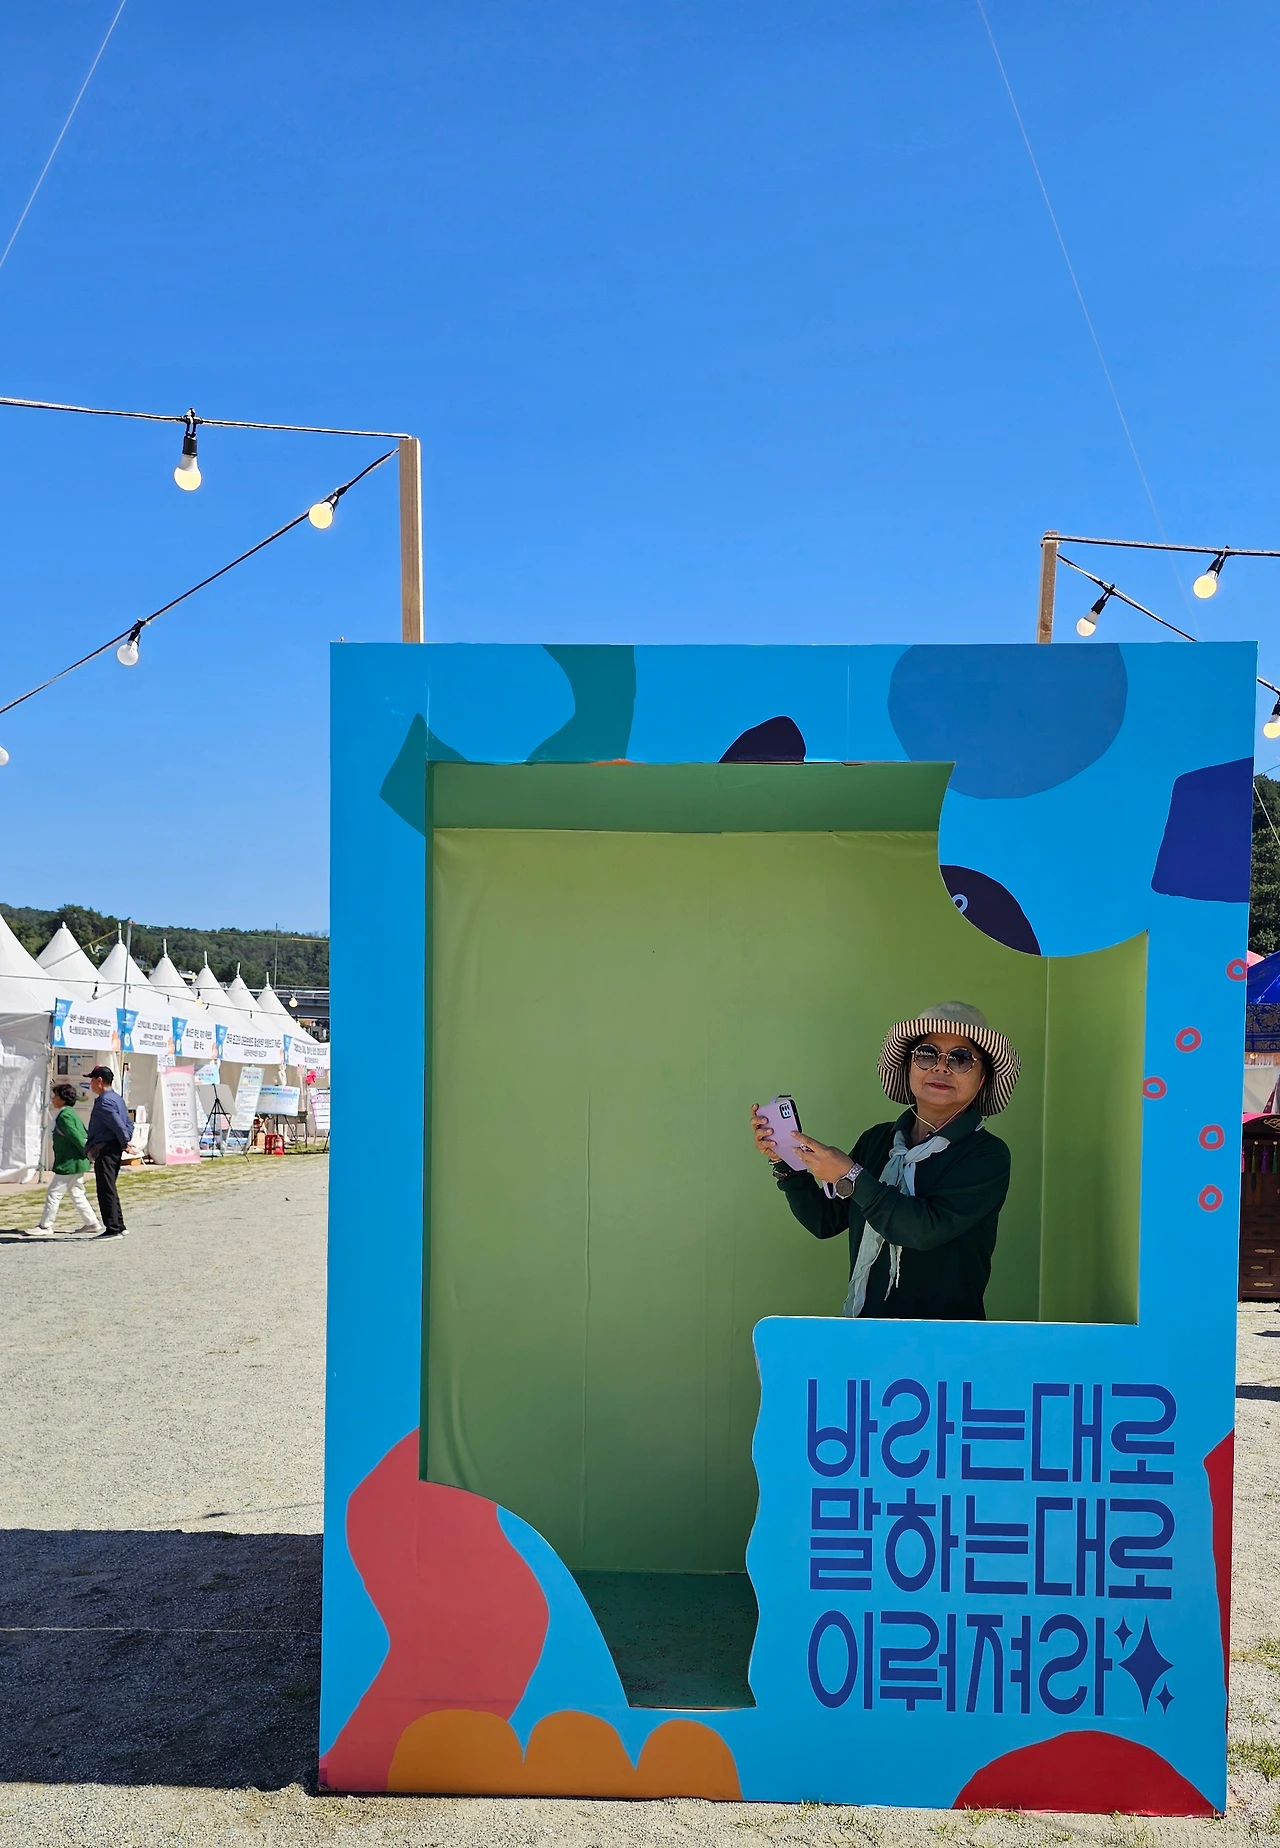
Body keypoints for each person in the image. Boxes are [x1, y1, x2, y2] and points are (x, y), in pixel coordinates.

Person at [751, 1002, 1019, 1321]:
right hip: (866, 1332)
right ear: (909, 1067)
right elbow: (825, 1220)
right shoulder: (878, 1141)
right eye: (927, 1055)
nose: (941, 1068)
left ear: (982, 1078)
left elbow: (922, 1230)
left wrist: (851, 1175)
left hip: (946, 1341)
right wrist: (785, 1162)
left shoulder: (986, 1154)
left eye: (960, 1059)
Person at [27, 1083, 102, 1238]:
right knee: (77, 1192)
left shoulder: (65, 1116)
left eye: (55, 1096)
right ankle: (92, 1222)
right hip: (76, 1161)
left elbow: (76, 1137)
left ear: (63, 1099)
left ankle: (45, 1225)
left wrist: (89, 1153)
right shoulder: (70, 1113)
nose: (53, 1099)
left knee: (54, 1193)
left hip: (70, 1162)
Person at [84, 1065, 132, 1239]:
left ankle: (113, 1228)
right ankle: (119, 1225)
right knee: (109, 1186)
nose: (90, 1083)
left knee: (105, 1188)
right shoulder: (116, 1098)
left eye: (92, 1079)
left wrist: (124, 1142)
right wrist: (125, 1141)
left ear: (99, 1081)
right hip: (113, 1147)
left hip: (106, 1148)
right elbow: (128, 1123)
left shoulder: (105, 1101)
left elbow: (118, 1125)